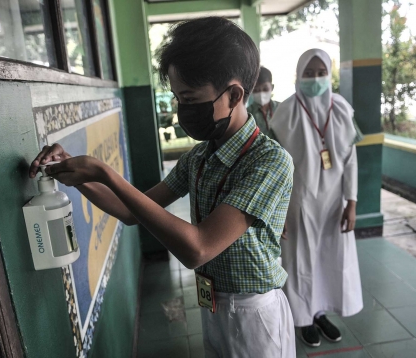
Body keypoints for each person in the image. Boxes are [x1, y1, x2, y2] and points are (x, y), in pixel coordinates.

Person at [30, 17, 296, 358]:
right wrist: (84, 177)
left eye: (188, 98)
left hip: (254, 313)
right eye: (176, 98)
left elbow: (197, 249)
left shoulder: (268, 162)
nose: (180, 110)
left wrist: (105, 173)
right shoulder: (199, 158)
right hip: (213, 303)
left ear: (234, 95)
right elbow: (130, 211)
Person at [270, 49, 363, 348]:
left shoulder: (342, 109)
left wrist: (352, 201)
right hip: (297, 202)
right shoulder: (284, 113)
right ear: (298, 75)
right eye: (308, 73)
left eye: (320, 72)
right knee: (299, 261)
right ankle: (303, 319)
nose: (314, 78)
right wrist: (277, 211)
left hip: (334, 202)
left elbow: (351, 160)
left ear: (329, 74)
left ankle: (321, 313)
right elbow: (274, 166)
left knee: (328, 258)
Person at [247, 66, 280, 139]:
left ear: (272, 87)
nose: (261, 93)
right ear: (251, 91)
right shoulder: (247, 114)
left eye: (265, 89)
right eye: (256, 90)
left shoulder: (281, 108)